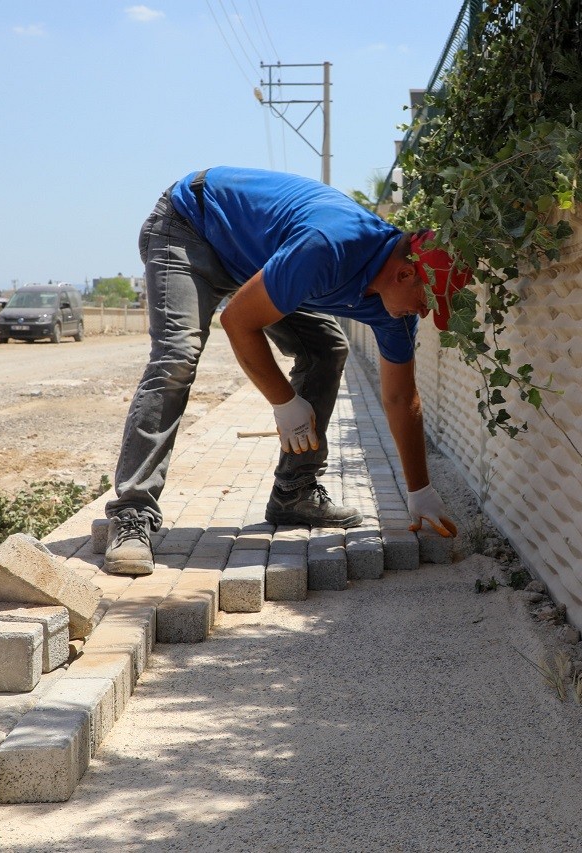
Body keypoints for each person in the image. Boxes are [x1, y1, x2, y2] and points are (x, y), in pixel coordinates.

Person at [104, 166, 465, 576]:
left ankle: (294, 493)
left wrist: (420, 490)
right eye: (426, 299)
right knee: (177, 356)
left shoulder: (393, 310)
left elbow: (401, 398)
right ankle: (132, 514)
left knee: (326, 348)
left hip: (254, 259)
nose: (424, 311)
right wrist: (284, 402)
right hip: (191, 226)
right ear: (404, 273)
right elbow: (239, 321)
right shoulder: (328, 247)